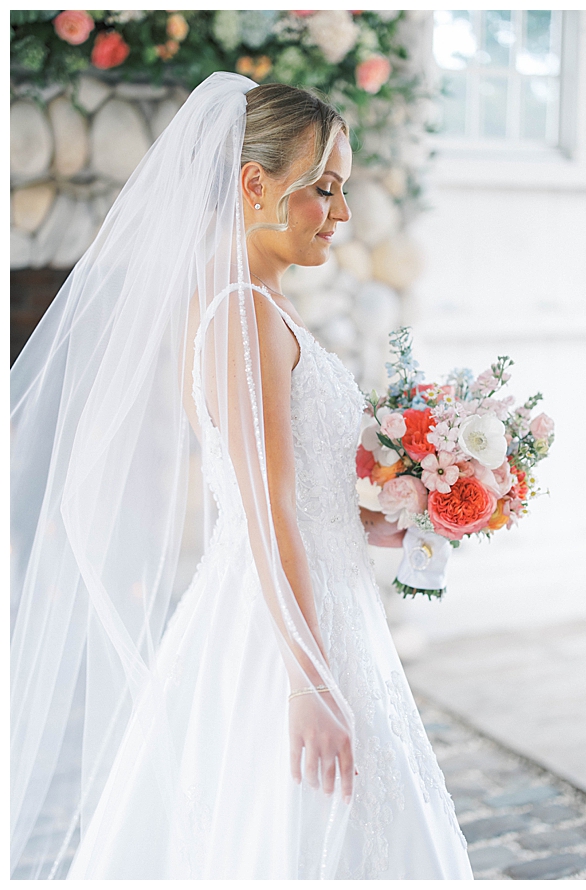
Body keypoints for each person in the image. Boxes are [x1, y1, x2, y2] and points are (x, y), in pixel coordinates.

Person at [10, 72, 473, 880]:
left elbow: (303, 493)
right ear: (255, 184)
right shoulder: (241, 312)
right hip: (278, 626)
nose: (342, 213)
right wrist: (305, 681)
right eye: (322, 188)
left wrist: (389, 509)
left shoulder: (268, 305)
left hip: (326, 597)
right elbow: (268, 510)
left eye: (345, 190)